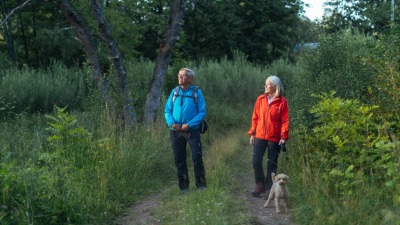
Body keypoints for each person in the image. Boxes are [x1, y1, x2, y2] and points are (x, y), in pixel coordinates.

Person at [164, 68, 207, 194]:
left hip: (192, 131)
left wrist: (190, 124)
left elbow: (202, 112)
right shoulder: (175, 91)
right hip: (176, 131)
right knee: (179, 158)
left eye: (183, 76)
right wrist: (172, 124)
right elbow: (167, 111)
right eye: (179, 75)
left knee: (196, 157)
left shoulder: (196, 92)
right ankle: (184, 187)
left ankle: (201, 185)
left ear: (190, 78)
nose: (180, 77)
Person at [248, 75, 289, 197]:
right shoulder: (260, 99)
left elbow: (285, 120)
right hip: (259, 135)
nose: (265, 86)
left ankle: (269, 188)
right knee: (256, 161)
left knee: (272, 164)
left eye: (268, 84)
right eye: (265, 84)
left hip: (275, 137)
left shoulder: (282, 101)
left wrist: (283, 136)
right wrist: (252, 133)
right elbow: (255, 117)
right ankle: (259, 184)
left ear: (275, 87)